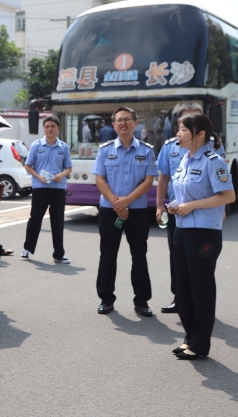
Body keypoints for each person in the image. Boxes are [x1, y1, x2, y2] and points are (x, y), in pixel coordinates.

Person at [168, 114, 235, 360]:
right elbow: (184, 194)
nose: (178, 133)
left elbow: (228, 196)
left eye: (183, 129)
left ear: (200, 134)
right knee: (183, 287)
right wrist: (176, 206)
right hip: (181, 230)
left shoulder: (213, 161)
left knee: (201, 288)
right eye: (178, 129)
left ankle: (200, 344)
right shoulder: (184, 159)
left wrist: (192, 206)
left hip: (204, 233)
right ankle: (189, 337)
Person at [91, 107, 157, 317]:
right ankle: (106, 299)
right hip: (110, 209)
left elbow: (149, 181)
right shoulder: (105, 150)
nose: (123, 123)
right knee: (108, 255)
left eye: (127, 119)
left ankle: (142, 301)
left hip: (136, 210)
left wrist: (126, 201)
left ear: (135, 123)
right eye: (119, 120)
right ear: (113, 125)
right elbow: (99, 179)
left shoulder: (146, 150)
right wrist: (115, 202)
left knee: (139, 256)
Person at [156, 102, 208, 313]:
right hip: (176, 212)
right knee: (177, 256)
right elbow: (163, 177)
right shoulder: (170, 146)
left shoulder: (212, 146)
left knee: (201, 259)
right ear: (178, 122)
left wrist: (222, 209)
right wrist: (159, 205)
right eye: (186, 119)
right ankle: (180, 297)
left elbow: (222, 185)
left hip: (202, 212)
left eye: (196, 117)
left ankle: (200, 302)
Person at [21, 116, 73, 263]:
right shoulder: (36, 145)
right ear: (44, 129)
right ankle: (27, 249)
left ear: (58, 128)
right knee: (35, 219)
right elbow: (28, 166)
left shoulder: (63, 147)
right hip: (40, 187)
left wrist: (61, 175)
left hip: (58, 188)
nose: (50, 129)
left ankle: (59, 254)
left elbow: (68, 168)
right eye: (47, 126)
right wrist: (39, 177)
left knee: (58, 221)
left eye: (52, 126)